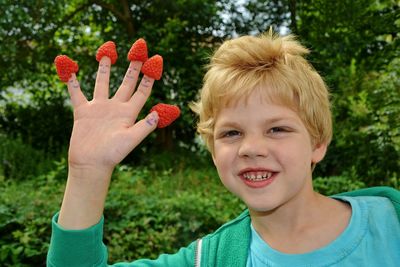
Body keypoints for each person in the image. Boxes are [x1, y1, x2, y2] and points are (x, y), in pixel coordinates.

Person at [47, 31, 400, 266]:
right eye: (231, 133)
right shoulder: (208, 258)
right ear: (214, 151)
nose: (251, 147)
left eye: (277, 128)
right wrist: (88, 174)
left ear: (318, 142)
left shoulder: (391, 223)